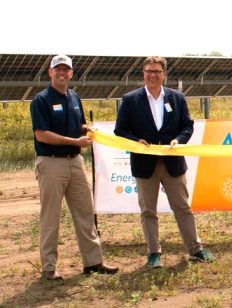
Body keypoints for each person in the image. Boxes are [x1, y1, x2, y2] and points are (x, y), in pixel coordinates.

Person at [114, 56, 214, 268]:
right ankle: (153, 254)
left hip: (173, 163)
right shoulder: (131, 99)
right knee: (148, 211)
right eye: (149, 71)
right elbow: (120, 130)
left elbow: (187, 125)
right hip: (144, 164)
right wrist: (136, 141)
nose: (152, 75)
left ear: (164, 74)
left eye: (157, 71)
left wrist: (179, 140)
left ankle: (196, 250)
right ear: (143, 73)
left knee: (183, 208)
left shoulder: (177, 97)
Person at [30, 54, 118, 280]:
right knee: (51, 217)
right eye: (57, 69)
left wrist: (87, 130)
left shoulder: (74, 97)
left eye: (66, 69)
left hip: (75, 163)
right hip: (51, 163)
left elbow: (77, 126)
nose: (62, 73)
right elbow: (42, 135)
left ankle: (93, 263)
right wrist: (74, 142)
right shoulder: (41, 100)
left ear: (71, 73)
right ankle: (49, 268)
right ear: (50, 72)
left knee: (85, 214)